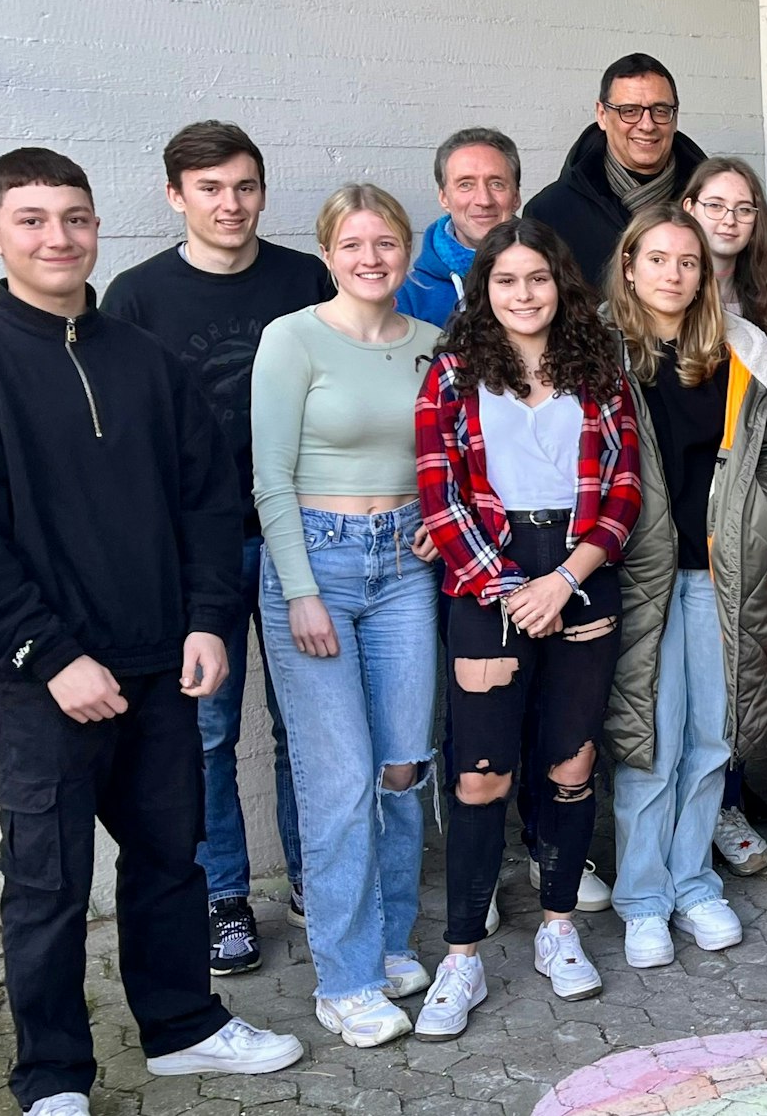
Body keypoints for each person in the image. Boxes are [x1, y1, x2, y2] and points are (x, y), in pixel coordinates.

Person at [0, 146, 304, 1116]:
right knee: (47, 883)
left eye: (74, 217)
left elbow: (208, 505)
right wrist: (50, 653)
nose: (58, 237)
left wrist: (209, 624)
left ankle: (182, 1027)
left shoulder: (145, 361)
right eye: (32, 219)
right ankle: (51, 1079)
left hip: (163, 661)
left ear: (97, 227)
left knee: (172, 860)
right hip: (39, 681)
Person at [101, 119, 328, 977]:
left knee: (303, 721)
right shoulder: (136, 297)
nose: (229, 204)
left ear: (262, 191)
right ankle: (226, 895)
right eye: (209, 189)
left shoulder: (303, 278)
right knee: (206, 731)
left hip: (301, 539)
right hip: (197, 552)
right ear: (175, 196)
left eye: (244, 186)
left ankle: (311, 877)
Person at [410, 218, 641, 1037]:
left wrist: (566, 576)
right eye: (506, 281)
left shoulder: (599, 369)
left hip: (579, 572)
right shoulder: (452, 371)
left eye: (537, 278)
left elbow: (623, 493)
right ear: (484, 289)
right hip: (489, 578)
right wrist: (515, 588)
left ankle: (558, 929)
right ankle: (462, 956)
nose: (523, 294)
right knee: (482, 774)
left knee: (570, 765)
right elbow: (441, 497)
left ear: (561, 283)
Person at [251, 183, 442, 1048]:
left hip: (407, 564)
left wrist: (442, 524)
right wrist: (298, 588)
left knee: (403, 766)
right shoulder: (291, 339)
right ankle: (346, 976)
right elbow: (271, 477)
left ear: (407, 251)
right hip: (320, 563)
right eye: (354, 244)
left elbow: (452, 455)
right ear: (329, 254)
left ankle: (389, 938)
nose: (372, 259)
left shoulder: (434, 346)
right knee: (337, 781)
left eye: (387, 243)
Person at [601, 203, 767, 969]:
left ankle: (693, 882)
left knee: (712, 736)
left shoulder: (740, 348)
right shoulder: (600, 352)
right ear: (630, 266)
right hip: (638, 577)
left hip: (720, 573)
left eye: (688, 261)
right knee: (651, 738)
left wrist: (761, 511)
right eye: (658, 260)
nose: (674, 274)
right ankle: (642, 897)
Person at [679, 156, 767, 875]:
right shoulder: (656, 299)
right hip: (669, 532)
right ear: (687, 207)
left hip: (741, 526)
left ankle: (724, 803)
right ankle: (676, 819)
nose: (729, 219)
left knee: (732, 673)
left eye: (745, 208)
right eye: (715, 204)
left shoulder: (765, 310)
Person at [525, 52, 707, 288]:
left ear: (675, 117)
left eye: (660, 110)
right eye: (629, 111)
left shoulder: (712, 207)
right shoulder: (549, 214)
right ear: (602, 115)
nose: (646, 125)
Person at [397, 127, 523, 328]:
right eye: (466, 184)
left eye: (496, 184)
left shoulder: (550, 281)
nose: (483, 200)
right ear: (444, 197)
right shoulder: (409, 296)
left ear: (515, 197)